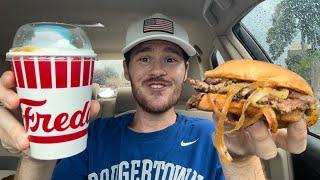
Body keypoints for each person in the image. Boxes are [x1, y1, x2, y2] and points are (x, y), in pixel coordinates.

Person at [0, 13, 307, 180]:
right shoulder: (86, 137)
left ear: (186, 72)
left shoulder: (216, 137)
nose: (158, 70)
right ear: (126, 71)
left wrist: (240, 160)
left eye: (171, 59)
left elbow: (237, 158)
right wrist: (36, 152)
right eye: (145, 59)